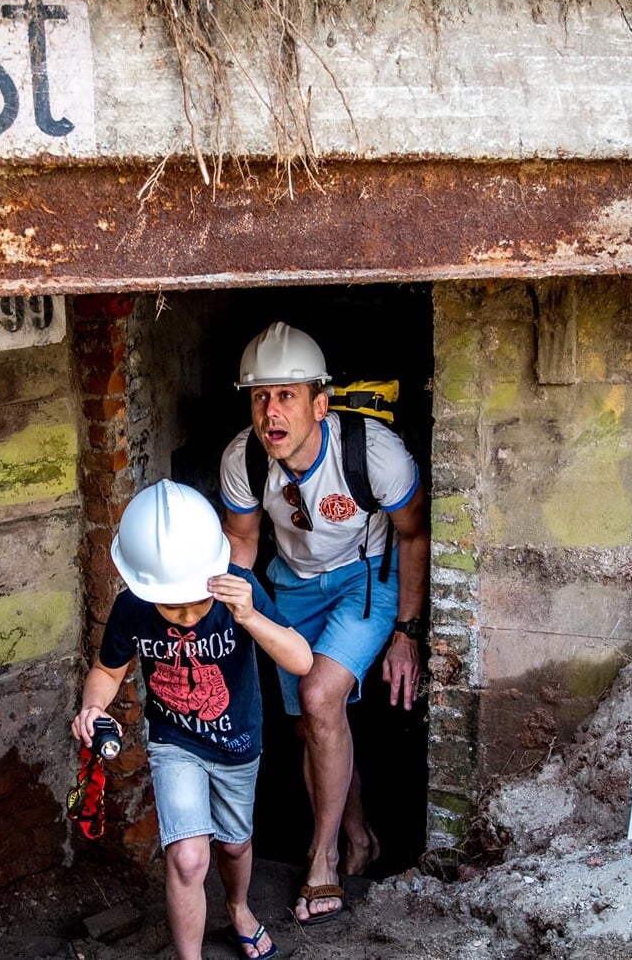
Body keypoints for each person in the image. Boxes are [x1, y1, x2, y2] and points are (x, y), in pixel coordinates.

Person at [217, 321, 428, 926]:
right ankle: (358, 835)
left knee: (318, 693)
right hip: (293, 585)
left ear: (319, 402)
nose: (271, 411)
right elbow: (242, 541)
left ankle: (322, 857)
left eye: (286, 395)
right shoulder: (246, 457)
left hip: (366, 578)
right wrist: (224, 612)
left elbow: (414, 533)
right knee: (315, 722)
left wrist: (406, 634)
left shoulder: (372, 452)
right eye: (260, 396)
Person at [72, 480, 313, 960]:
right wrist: (93, 707)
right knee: (187, 857)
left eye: (193, 604)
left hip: (238, 743)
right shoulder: (133, 605)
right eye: (171, 605)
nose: (183, 617)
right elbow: (107, 669)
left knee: (235, 847)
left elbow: (301, 660)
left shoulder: (238, 591)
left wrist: (250, 618)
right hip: (174, 742)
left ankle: (239, 907)